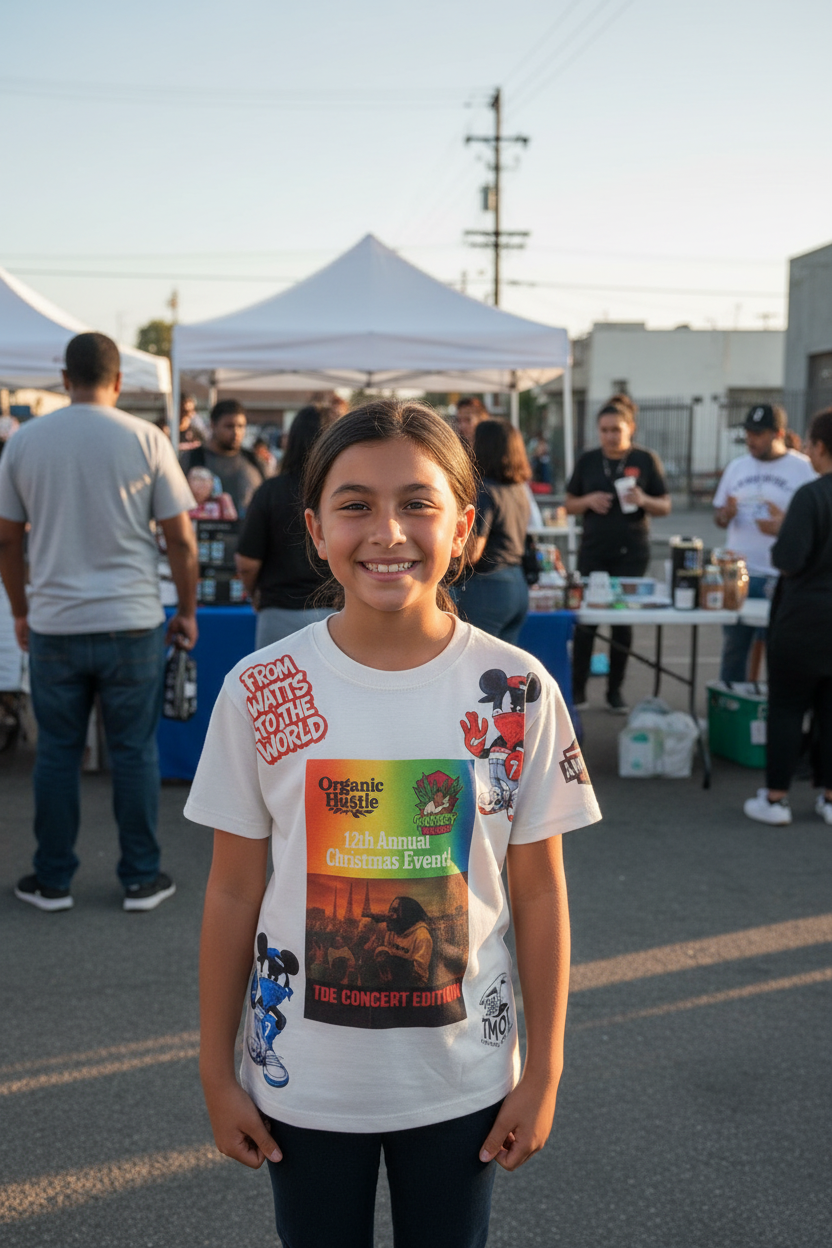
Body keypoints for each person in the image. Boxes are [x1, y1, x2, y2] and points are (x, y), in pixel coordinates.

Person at [186, 399, 600, 1248]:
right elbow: (232, 891)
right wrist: (216, 1071)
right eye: (355, 504)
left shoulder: (517, 691)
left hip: (463, 1080)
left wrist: (546, 1069)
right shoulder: (261, 690)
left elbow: (540, 890)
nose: (388, 530)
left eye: (418, 502)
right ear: (314, 527)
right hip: (304, 1080)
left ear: (465, 527)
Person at [0, 332, 198, 912]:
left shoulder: (24, 442)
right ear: (118, 382)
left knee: (57, 753)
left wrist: (20, 609)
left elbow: (7, 540)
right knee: (134, 752)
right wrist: (185, 610)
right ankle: (141, 877)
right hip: (132, 620)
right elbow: (181, 540)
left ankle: (52, 879)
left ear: (64, 379)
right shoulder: (146, 438)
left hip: (55, 621)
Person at [743, 409, 832, 826]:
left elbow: (788, 558)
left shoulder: (811, 496)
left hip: (803, 619)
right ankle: (829, 797)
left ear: (818, 447)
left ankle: (776, 798)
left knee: (787, 707)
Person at [566, 398, 671, 713]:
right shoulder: (588, 461)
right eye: (604, 430)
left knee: (622, 624)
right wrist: (588, 500)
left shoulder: (645, 459)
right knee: (587, 623)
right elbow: (568, 504)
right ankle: (579, 691)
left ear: (630, 428)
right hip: (594, 551)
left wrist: (643, 499)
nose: (610, 436)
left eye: (616, 430)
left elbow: (665, 506)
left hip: (631, 552)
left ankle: (615, 692)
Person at [713, 403, 815, 684]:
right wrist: (726, 514)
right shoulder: (737, 467)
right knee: (735, 649)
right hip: (738, 575)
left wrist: (785, 526)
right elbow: (719, 517)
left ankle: (771, 711)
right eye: (748, 432)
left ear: (778, 434)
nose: (750, 439)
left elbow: (816, 523)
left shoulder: (803, 469)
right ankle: (732, 705)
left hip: (780, 576)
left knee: (780, 650)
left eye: (758, 433)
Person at [235, 405, 333, 648]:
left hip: (279, 614)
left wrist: (255, 594)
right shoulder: (346, 494)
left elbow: (247, 562)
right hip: (337, 615)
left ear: (292, 439)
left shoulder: (270, 491)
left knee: (275, 686)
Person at [454, 419, 532, 645]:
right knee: (504, 669)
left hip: (489, 586)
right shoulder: (518, 490)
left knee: (474, 662)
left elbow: (473, 552)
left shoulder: (484, 490)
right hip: (517, 583)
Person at [180, 399, 265, 516]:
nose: (236, 432)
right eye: (229, 426)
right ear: (213, 425)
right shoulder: (191, 458)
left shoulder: (253, 460)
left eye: (241, 426)